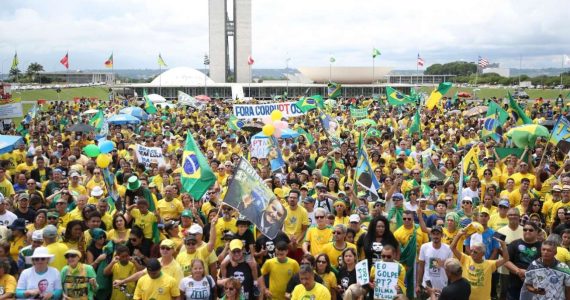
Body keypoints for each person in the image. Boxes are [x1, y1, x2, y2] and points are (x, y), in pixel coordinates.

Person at [451, 228, 509, 300]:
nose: (472, 253)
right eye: (471, 251)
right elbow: (452, 248)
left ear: (482, 254)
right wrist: (458, 235)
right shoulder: (465, 259)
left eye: (475, 252)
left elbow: (506, 259)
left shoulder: (489, 264)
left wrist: (503, 245)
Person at [504, 221, 542, 300]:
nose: (527, 231)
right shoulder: (514, 244)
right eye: (525, 230)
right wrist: (518, 271)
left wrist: (528, 274)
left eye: (530, 230)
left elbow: (546, 264)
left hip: (535, 284)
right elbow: (506, 261)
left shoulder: (542, 246)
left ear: (537, 232)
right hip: (515, 283)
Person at [416, 225, 453, 294]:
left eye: (438, 234)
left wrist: (450, 285)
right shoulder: (424, 247)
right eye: (433, 234)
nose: (435, 236)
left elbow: (450, 269)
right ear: (430, 235)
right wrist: (418, 285)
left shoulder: (448, 249)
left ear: (442, 235)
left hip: (442, 286)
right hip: (427, 286)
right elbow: (421, 267)